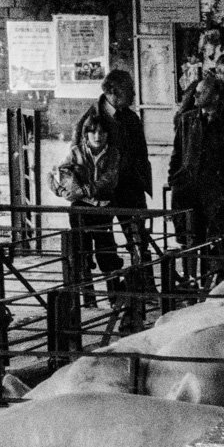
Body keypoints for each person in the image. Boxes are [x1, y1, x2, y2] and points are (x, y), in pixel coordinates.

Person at [168, 78, 224, 287]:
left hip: (217, 192)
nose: (196, 95)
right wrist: (174, 179)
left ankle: (219, 284)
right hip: (188, 189)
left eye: (201, 92)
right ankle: (191, 282)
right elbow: (177, 154)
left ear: (215, 97)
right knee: (189, 238)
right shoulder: (187, 120)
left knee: (219, 239)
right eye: (196, 91)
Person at [78, 70, 154, 295]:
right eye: (129, 90)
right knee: (105, 244)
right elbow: (79, 158)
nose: (133, 94)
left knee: (139, 239)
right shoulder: (89, 120)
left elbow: (141, 154)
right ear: (112, 91)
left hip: (130, 189)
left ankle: (146, 288)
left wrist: (141, 182)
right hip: (103, 193)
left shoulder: (131, 118)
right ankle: (114, 293)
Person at [53, 112, 124, 300]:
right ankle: (88, 299)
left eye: (102, 132)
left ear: (108, 134)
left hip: (103, 207)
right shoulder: (75, 152)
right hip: (80, 209)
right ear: (86, 134)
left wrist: (85, 190)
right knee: (81, 252)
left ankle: (114, 297)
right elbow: (57, 172)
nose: (97, 136)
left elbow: (109, 179)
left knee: (107, 251)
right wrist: (64, 190)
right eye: (93, 132)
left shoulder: (113, 154)